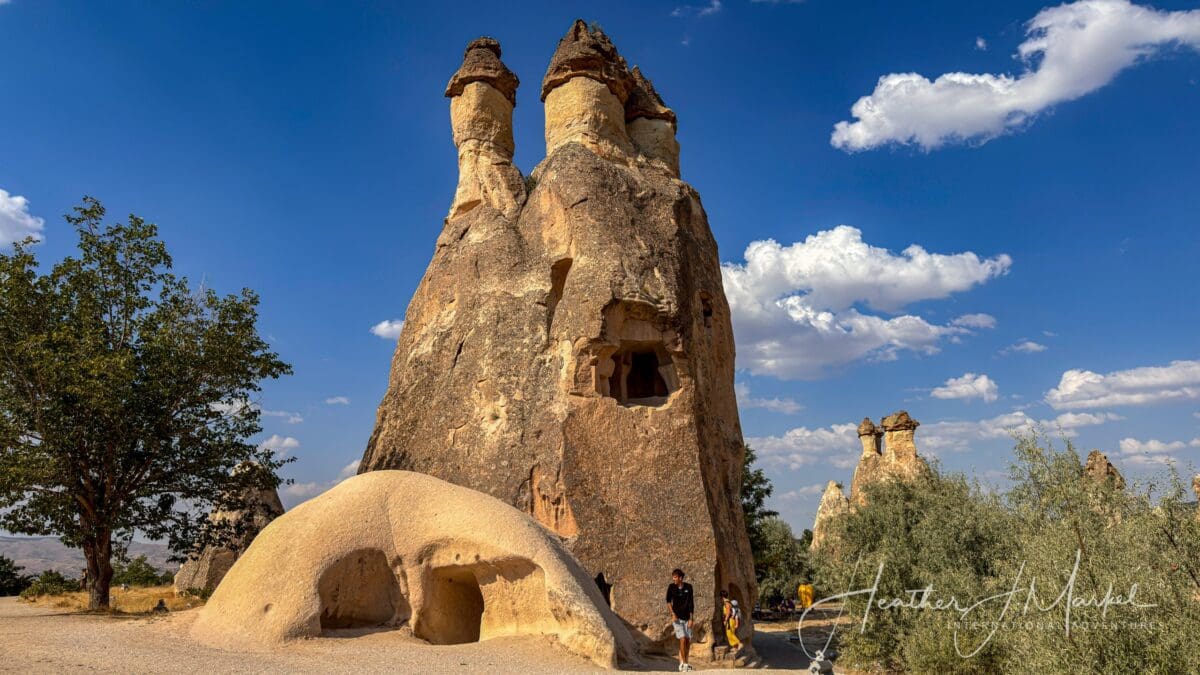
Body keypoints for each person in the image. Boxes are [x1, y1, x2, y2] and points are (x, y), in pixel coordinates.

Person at [665, 568, 695, 672]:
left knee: (687, 640)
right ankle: (684, 664)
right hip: (676, 618)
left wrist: (691, 619)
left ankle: (684, 661)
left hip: (687, 618)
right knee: (682, 639)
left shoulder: (689, 587)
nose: (673, 579)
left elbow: (691, 603)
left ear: (680, 578)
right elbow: (668, 601)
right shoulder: (671, 587)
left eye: (675, 577)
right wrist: (672, 613)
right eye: (673, 577)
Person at [720, 589, 742, 653]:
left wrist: (725, 620)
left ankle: (739, 643)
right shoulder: (729, 602)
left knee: (729, 634)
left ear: (722, 597)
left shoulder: (726, 603)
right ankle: (735, 647)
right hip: (732, 620)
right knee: (731, 633)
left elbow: (728, 612)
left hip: (730, 620)